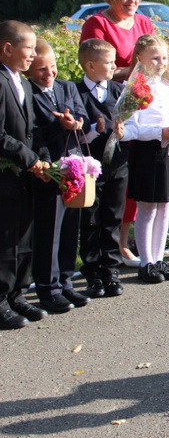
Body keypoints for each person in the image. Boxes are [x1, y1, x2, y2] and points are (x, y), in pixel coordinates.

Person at [80, 0, 153, 267]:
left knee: (132, 177)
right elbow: (95, 66)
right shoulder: (97, 23)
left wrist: (141, 75)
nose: (132, 0)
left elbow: (153, 59)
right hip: (109, 108)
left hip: (140, 104)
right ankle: (98, 250)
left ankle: (122, 243)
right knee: (111, 178)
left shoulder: (145, 22)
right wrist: (131, 71)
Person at [27, 39, 90, 313]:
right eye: (42, 69)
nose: (49, 73)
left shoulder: (66, 87)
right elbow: (32, 133)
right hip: (48, 168)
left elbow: (81, 115)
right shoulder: (28, 94)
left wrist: (76, 122)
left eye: (52, 67)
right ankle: (47, 287)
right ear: (30, 69)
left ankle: (66, 281)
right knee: (49, 229)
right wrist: (58, 126)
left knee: (69, 227)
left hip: (72, 166)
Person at [119, 35, 169, 284]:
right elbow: (130, 129)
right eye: (154, 58)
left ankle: (159, 258)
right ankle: (146, 262)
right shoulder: (134, 89)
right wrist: (159, 132)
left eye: (164, 58)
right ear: (140, 58)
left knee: (165, 206)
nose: (160, 63)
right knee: (147, 208)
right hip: (146, 152)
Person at [0, 21, 50, 329]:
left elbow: (33, 130)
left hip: (28, 176)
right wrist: (29, 158)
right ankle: (1, 299)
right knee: (6, 240)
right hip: (6, 176)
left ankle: (19, 293)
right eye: (28, 48)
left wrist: (42, 157)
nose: (33, 55)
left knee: (25, 237)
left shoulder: (23, 82)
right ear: (7, 48)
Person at [75, 39, 127, 298]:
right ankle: (92, 271)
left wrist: (124, 131)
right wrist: (95, 129)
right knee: (92, 218)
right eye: (109, 62)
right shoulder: (75, 92)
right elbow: (77, 134)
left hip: (118, 163)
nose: (115, 66)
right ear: (91, 65)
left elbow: (132, 123)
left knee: (113, 216)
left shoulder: (119, 90)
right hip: (89, 166)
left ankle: (110, 268)